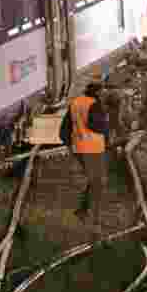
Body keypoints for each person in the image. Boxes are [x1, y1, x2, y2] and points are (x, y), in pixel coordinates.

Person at [60, 78, 110, 238]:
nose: (104, 94)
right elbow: (97, 126)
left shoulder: (76, 102)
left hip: (79, 147)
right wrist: (105, 120)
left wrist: (70, 145)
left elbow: (64, 129)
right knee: (99, 183)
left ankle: (83, 210)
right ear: (97, 91)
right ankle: (95, 222)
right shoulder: (95, 105)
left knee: (94, 180)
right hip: (93, 148)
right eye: (102, 91)